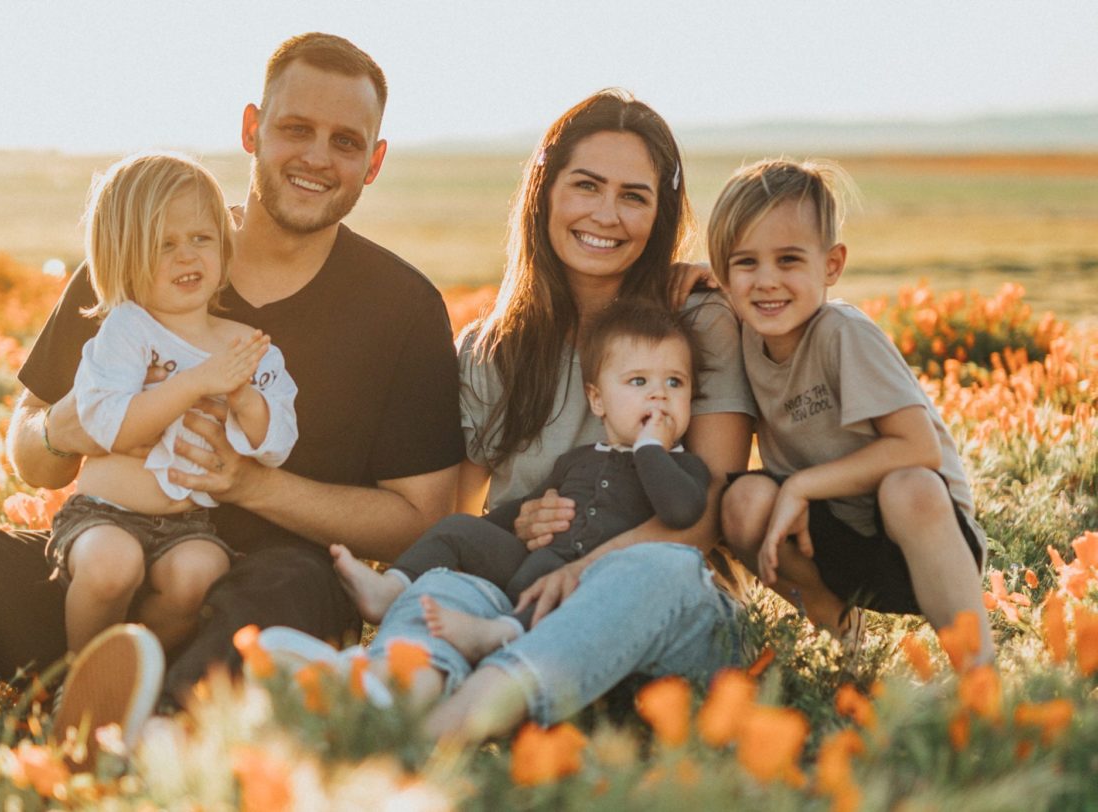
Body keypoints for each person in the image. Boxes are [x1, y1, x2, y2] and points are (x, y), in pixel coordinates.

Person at [0, 32, 463, 752]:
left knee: (291, 587)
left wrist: (250, 484)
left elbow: (418, 519)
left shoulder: (402, 308)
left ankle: (144, 737)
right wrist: (64, 431)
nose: (318, 157)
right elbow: (31, 449)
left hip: (255, 600)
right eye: (296, 129)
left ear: (374, 162)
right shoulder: (146, 251)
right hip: (102, 572)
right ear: (252, 129)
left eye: (345, 141)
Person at [264, 89, 756, 743]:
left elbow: (706, 517)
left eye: (634, 196)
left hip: (666, 616)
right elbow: (452, 514)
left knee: (651, 568)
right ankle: (391, 694)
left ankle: (446, 729)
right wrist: (516, 523)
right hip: (522, 602)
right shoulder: (491, 350)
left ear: (659, 213)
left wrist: (583, 568)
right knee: (448, 582)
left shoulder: (695, 322)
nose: (607, 215)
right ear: (545, 191)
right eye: (586, 186)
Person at [710, 158, 994, 664]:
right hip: (833, 544)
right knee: (742, 500)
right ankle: (844, 640)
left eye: (790, 260)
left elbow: (918, 447)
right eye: (746, 263)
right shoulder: (745, 340)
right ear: (724, 274)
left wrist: (801, 485)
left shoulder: (843, 334)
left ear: (832, 265)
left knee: (909, 486)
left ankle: (978, 673)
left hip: (921, 541)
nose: (767, 281)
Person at [331, 301, 710, 661]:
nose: (659, 394)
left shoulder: (685, 469)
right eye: (639, 381)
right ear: (598, 400)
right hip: (531, 562)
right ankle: (391, 588)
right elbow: (522, 507)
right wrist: (490, 531)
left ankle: (500, 632)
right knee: (458, 528)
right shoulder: (578, 459)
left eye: (675, 383)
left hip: (593, 585)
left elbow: (680, 511)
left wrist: (650, 450)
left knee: (559, 589)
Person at [49, 151, 298, 657]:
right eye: (164, 245)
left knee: (200, 574)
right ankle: (78, 675)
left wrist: (242, 397)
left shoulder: (247, 344)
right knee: (112, 566)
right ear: (123, 257)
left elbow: (276, 444)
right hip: (103, 513)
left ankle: (137, 673)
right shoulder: (126, 329)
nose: (187, 257)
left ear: (224, 249)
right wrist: (197, 381)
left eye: (201, 239)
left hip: (187, 525)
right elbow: (110, 428)